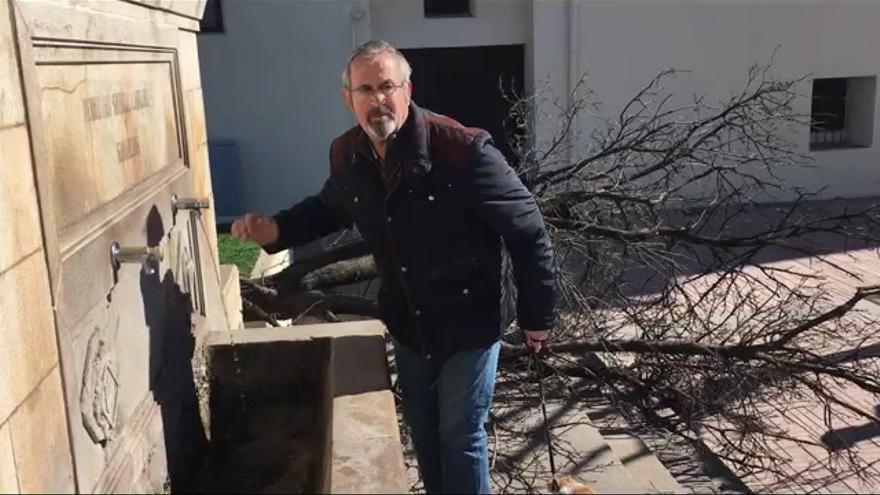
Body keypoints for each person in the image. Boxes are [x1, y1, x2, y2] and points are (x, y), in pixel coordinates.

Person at [231, 40, 556, 494]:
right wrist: (276, 230)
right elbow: (328, 208)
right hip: (408, 321)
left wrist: (537, 316)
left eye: (387, 86)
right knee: (423, 432)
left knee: (460, 435)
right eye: (365, 89)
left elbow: (528, 231)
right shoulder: (349, 154)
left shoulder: (464, 151)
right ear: (349, 98)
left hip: (470, 319)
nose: (377, 99)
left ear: (408, 89)